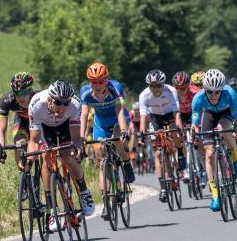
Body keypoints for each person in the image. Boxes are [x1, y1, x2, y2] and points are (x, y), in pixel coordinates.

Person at [27, 80, 95, 230]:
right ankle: (52, 210)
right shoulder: (36, 104)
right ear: (50, 99)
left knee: (67, 154)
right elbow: (33, 140)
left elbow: (76, 138)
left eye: (66, 103)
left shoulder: (75, 105)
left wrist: (77, 149)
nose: (63, 107)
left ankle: (83, 191)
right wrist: (29, 160)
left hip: (66, 126)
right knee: (46, 157)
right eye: (59, 102)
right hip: (45, 128)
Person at [79, 62, 134, 219]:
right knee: (101, 159)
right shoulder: (85, 92)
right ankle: (105, 202)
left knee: (118, 141)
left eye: (100, 81)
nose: (97, 85)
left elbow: (120, 112)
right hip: (100, 123)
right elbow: (83, 115)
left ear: (106, 79)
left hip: (117, 120)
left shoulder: (115, 87)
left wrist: (124, 131)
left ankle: (127, 164)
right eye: (93, 82)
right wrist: (82, 136)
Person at [191, 69, 237, 212]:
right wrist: (196, 135)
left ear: (222, 89)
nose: (213, 95)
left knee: (223, 129)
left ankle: (236, 158)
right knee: (209, 154)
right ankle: (215, 195)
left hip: (225, 114)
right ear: (204, 89)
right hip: (209, 115)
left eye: (217, 91)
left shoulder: (229, 94)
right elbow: (195, 125)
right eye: (210, 92)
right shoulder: (198, 98)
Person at [138, 69, 185, 202]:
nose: (156, 89)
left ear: (163, 84)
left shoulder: (171, 91)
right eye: (152, 86)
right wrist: (142, 135)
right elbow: (143, 118)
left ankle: (180, 153)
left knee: (175, 131)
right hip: (155, 118)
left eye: (158, 86)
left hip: (170, 115)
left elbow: (176, 113)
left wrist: (179, 128)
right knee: (158, 154)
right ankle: (163, 188)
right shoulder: (144, 95)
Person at [0, 72, 36, 169]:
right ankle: (24, 176)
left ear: (30, 90)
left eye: (24, 93)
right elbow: (1, 130)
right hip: (22, 121)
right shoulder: (7, 100)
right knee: (19, 144)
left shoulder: (39, 98)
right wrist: (0, 149)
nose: (20, 97)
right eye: (16, 93)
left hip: (39, 122)